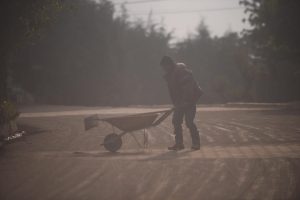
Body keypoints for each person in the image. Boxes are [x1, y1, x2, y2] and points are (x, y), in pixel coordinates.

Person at [160, 56, 203, 150]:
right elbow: (175, 92)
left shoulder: (181, 71)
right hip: (180, 102)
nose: (163, 69)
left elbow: (188, 88)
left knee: (189, 122)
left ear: (169, 64)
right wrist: (177, 104)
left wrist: (185, 101)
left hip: (189, 101)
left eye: (164, 66)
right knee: (176, 121)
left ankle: (196, 143)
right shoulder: (170, 74)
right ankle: (179, 144)